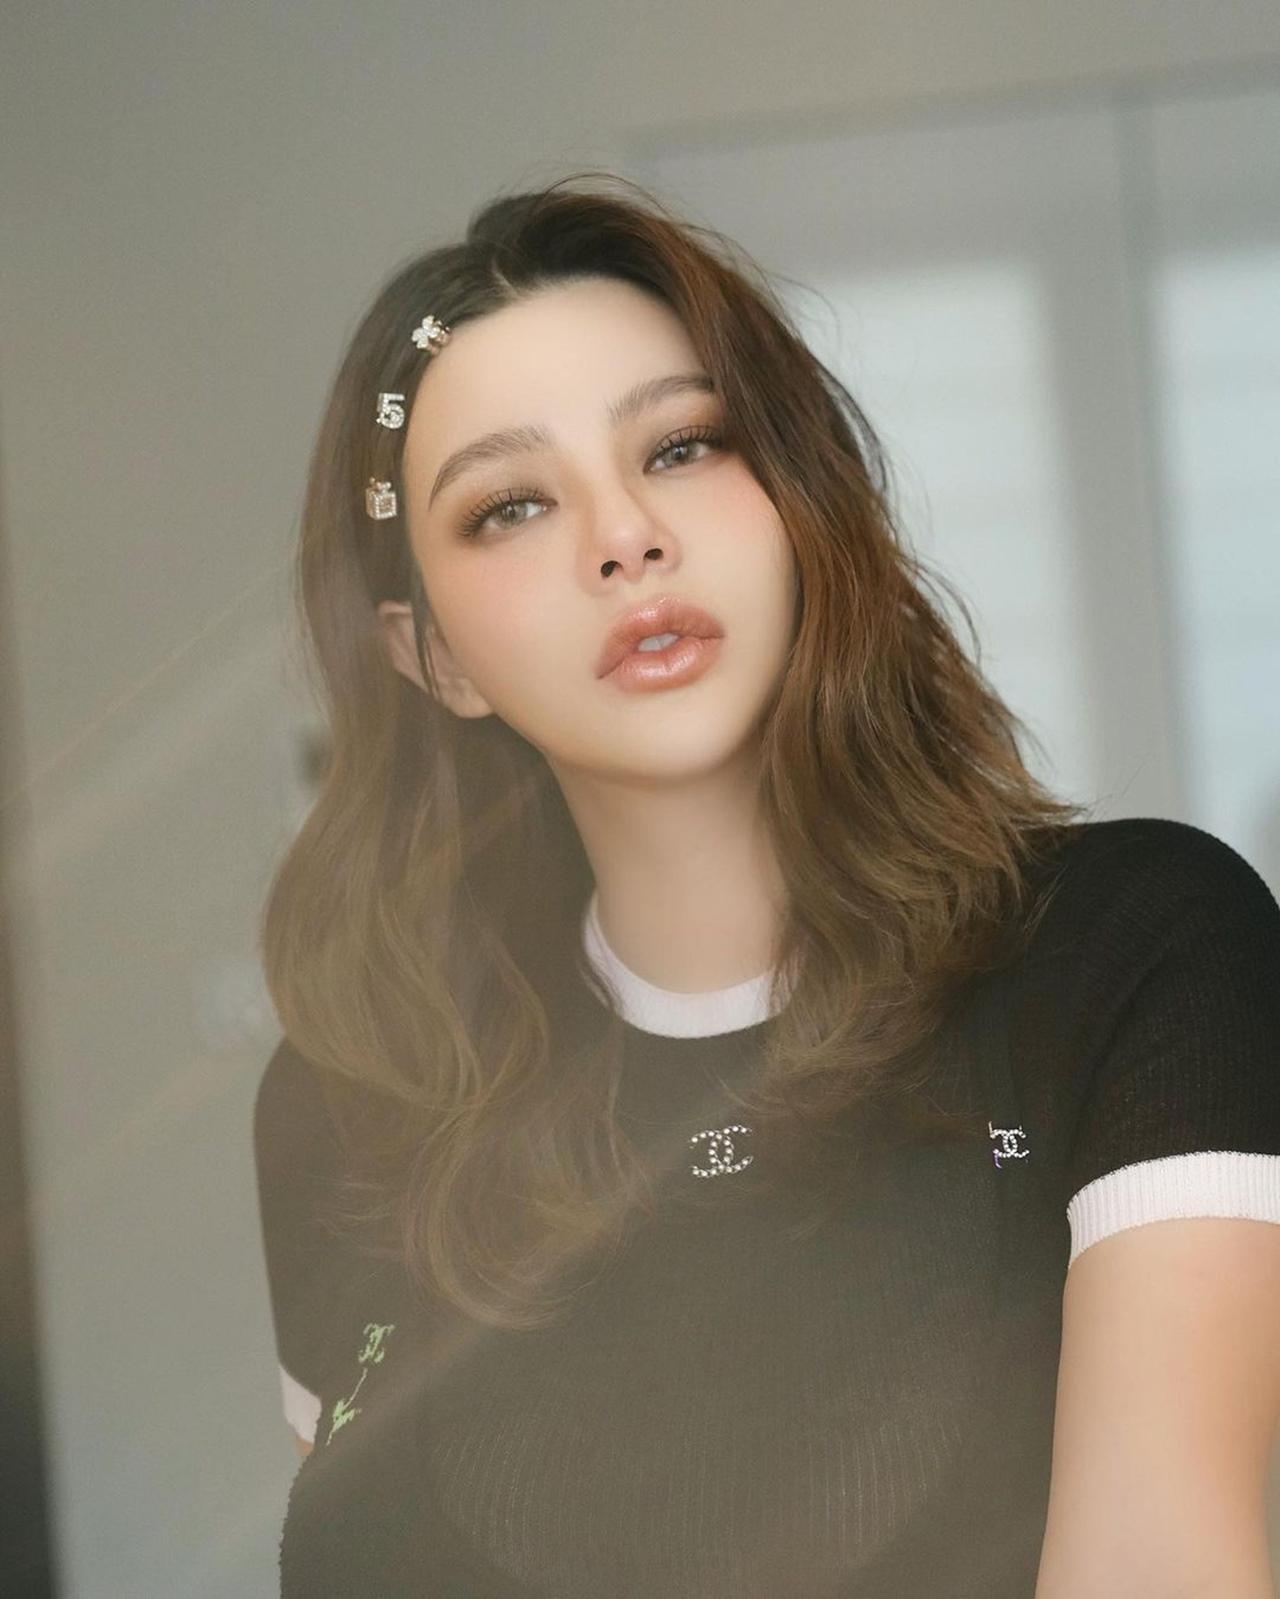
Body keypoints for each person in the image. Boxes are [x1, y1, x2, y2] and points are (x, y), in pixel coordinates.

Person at [252, 173, 1280, 1598]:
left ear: (801, 501)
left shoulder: (1137, 952)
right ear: (430, 656)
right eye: (510, 505)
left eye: (680, 446)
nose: (623, 536)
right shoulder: (347, 1105)